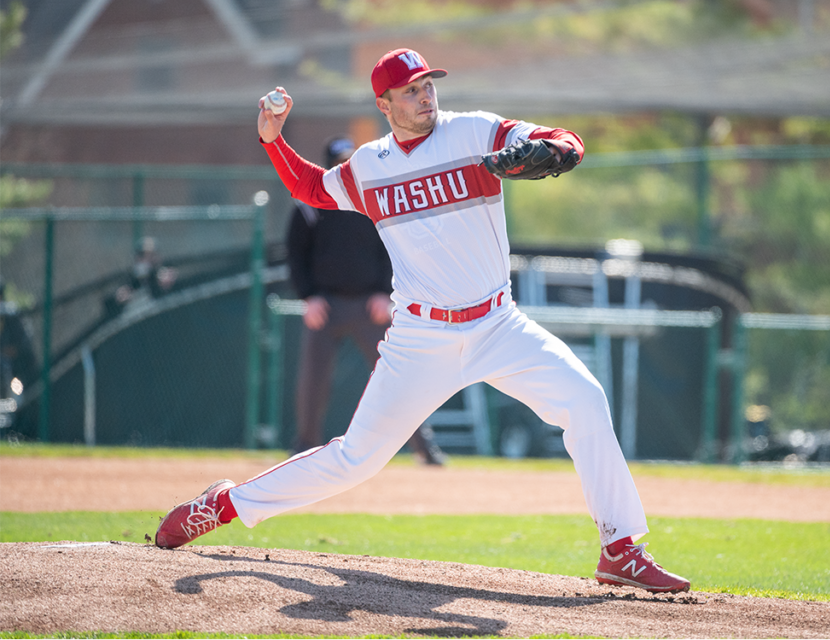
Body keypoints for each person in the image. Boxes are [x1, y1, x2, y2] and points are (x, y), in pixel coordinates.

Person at [155, 48, 690, 593]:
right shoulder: (370, 165)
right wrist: (273, 141)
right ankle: (224, 505)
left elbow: (566, 140)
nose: (425, 94)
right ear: (384, 103)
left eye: (428, 83)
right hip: (421, 338)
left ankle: (620, 548)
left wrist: (552, 151)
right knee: (355, 460)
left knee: (585, 399)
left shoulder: (475, 133)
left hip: (498, 325)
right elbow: (311, 189)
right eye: (411, 89)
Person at [287, 135, 445, 464]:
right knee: (312, 381)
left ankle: (424, 448)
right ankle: (304, 447)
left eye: (349, 161)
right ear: (327, 166)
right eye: (338, 161)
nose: (344, 167)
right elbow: (295, 256)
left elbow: (396, 247)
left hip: (370, 307)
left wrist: (385, 293)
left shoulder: (374, 200)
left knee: (397, 377)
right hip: (325, 306)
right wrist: (309, 297)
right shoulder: (308, 204)